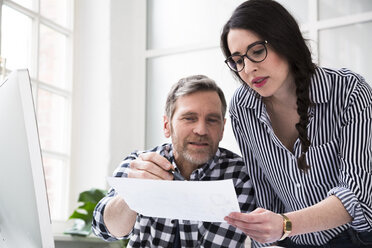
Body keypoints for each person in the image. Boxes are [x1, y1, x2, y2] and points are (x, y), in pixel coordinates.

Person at [219, 0, 372, 247]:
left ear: (285, 41)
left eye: (257, 51)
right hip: (292, 241)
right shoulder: (243, 107)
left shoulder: (349, 92)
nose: (248, 69)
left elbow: (356, 195)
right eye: (237, 61)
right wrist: (270, 236)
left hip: (357, 238)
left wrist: (284, 224)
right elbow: (264, 195)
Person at [92, 75, 255, 247]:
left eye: (212, 120)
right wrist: (133, 193)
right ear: (167, 126)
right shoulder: (140, 165)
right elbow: (103, 228)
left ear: (222, 129)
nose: (201, 130)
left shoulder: (240, 176)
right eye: (189, 118)